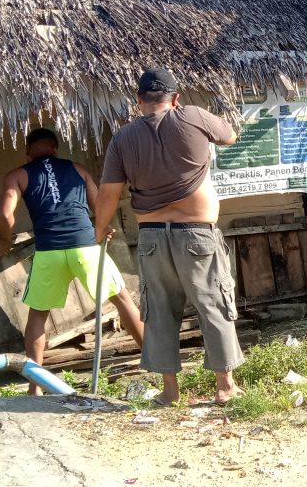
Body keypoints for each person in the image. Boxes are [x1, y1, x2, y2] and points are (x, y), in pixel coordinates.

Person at [94, 68, 245, 406]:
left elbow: (108, 193)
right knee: (213, 306)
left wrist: (100, 229)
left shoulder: (122, 138)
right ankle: (225, 387)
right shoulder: (190, 115)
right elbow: (229, 135)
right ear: (176, 99)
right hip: (197, 236)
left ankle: (170, 392)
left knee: (159, 312)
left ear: (138, 101)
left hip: (151, 240)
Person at [0, 127, 144, 395]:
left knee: (38, 315)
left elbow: (7, 215)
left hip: (49, 251)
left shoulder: (17, 175)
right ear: (54, 148)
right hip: (85, 247)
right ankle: (154, 362)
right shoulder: (77, 169)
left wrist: (4, 241)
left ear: (28, 153)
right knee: (122, 300)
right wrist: (103, 226)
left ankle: (35, 387)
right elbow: (100, 203)